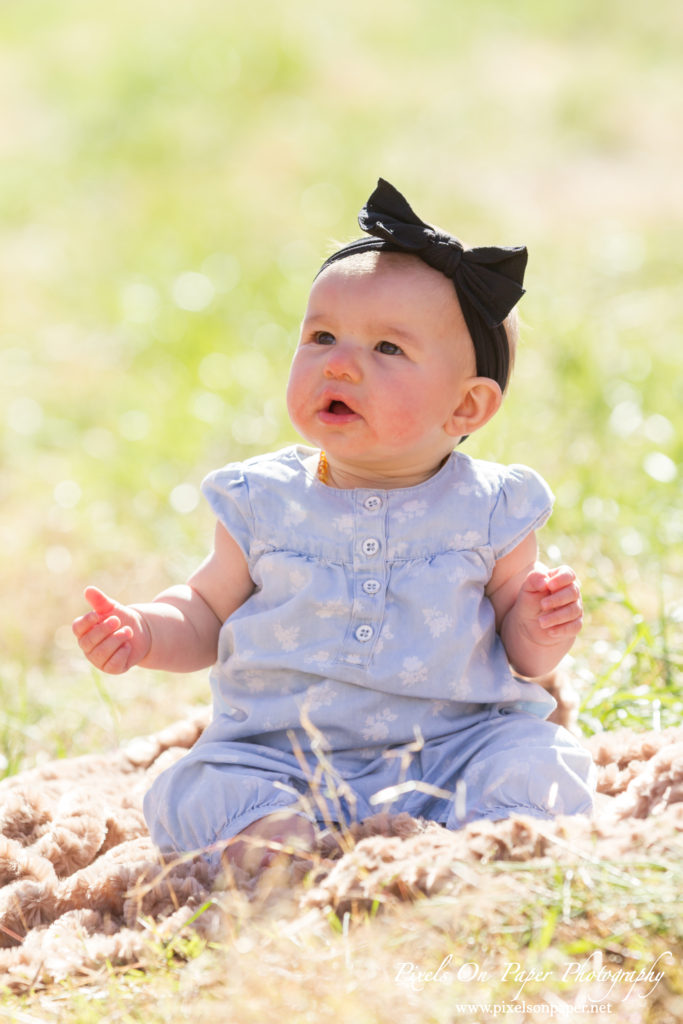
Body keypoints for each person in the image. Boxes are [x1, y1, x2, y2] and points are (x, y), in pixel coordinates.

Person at [73, 179, 595, 876]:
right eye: (320, 336)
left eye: (387, 349)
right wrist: (142, 632)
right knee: (201, 785)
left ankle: (484, 847)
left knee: (540, 764)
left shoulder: (493, 508)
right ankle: (275, 851)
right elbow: (201, 610)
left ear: (467, 406)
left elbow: (525, 659)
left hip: (452, 748)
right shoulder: (262, 500)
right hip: (278, 753)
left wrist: (541, 623)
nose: (340, 362)